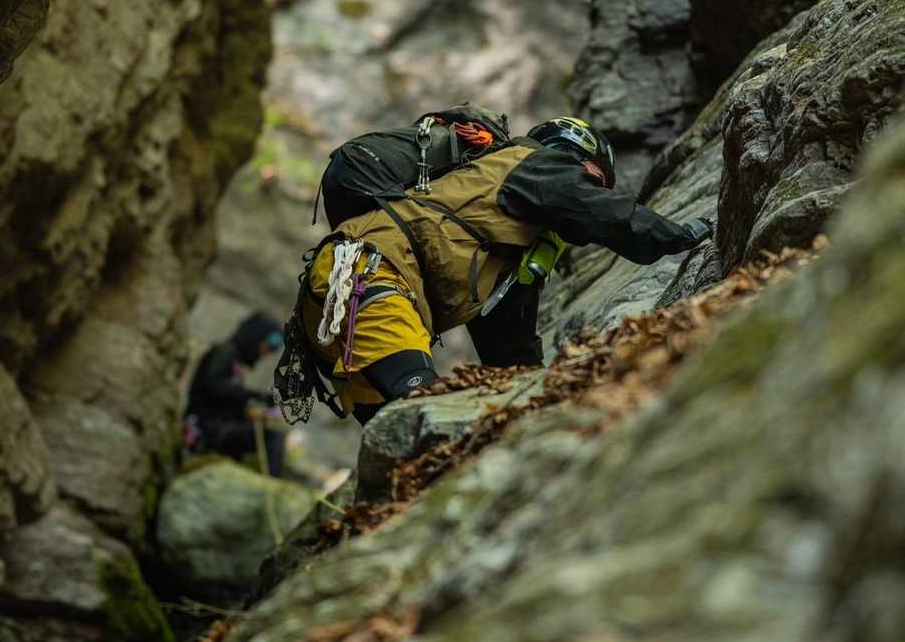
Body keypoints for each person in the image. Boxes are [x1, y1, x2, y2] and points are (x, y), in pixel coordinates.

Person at [275, 116, 712, 426]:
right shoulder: (533, 161)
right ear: (574, 155)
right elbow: (604, 211)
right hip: (370, 280)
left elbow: (510, 349)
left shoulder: (503, 242)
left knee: (405, 448)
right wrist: (679, 235)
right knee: (429, 417)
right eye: (595, 177)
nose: (591, 187)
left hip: (340, 300)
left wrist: (536, 398)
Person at [184, 311, 286, 475]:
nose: (265, 353)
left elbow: (229, 400)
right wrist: (255, 396)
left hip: (215, 429)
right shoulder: (224, 352)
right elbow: (215, 386)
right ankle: (273, 483)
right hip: (204, 432)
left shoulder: (234, 362)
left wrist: (255, 411)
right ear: (255, 337)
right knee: (272, 437)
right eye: (267, 345)